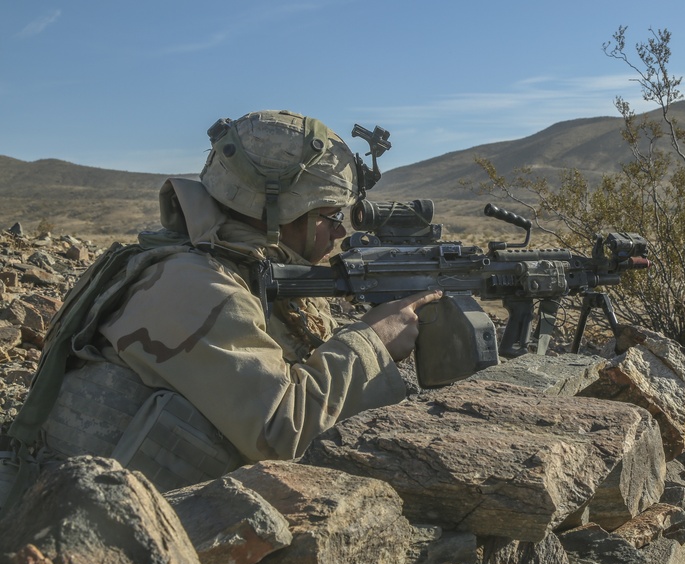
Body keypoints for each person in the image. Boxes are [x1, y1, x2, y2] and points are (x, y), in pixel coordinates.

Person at [28, 109, 441, 492]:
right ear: (278, 213)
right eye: (330, 216)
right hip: (93, 528)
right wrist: (373, 342)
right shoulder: (195, 286)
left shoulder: (239, 262)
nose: (338, 234)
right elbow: (283, 431)